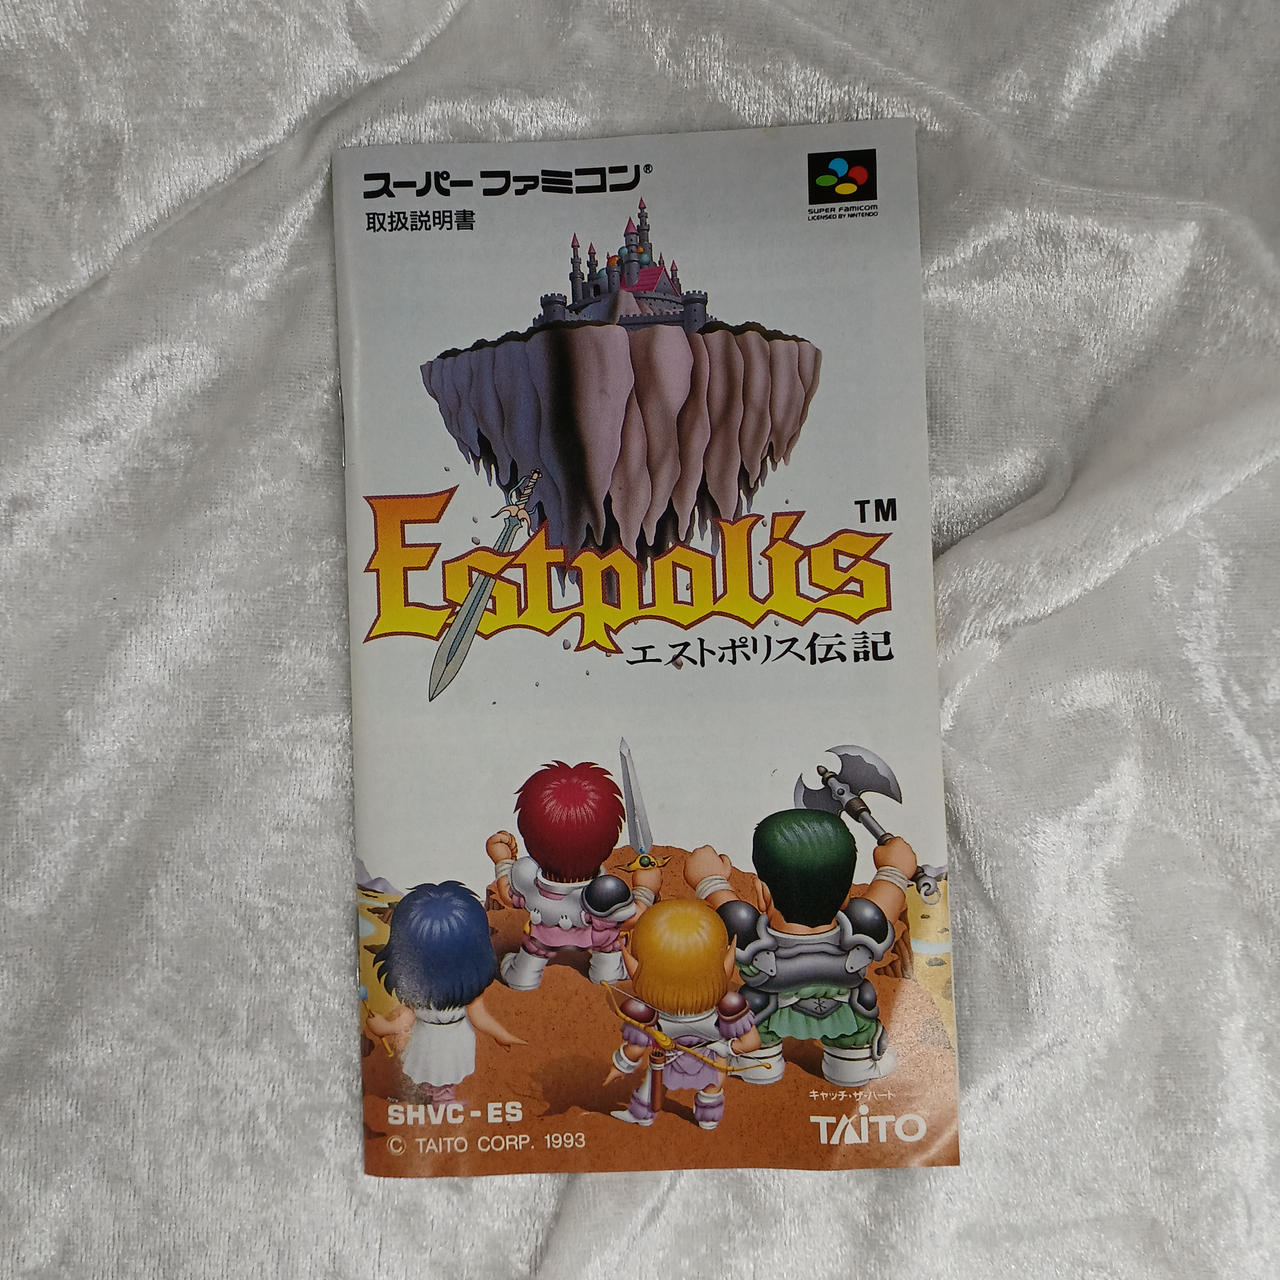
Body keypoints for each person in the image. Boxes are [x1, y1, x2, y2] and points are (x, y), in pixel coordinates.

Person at [683, 808, 918, 1087]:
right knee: (861, 1007)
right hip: (844, 1010)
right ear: (846, 897)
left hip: (769, 1011)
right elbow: (887, 896)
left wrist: (710, 879)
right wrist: (894, 870)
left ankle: (758, 1063)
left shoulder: (750, 932)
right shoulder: (861, 925)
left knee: (751, 1008)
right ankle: (852, 1064)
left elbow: (725, 905)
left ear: (762, 893)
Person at [487, 760, 660, 989]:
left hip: (543, 937)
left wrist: (503, 860)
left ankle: (522, 977)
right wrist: (645, 889)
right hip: (597, 938)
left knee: (532, 951)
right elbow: (633, 917)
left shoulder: (527, 879)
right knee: (608, 947)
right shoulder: (605, 893)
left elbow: (507, 895)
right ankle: (607, 974)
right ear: (608, 844)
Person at [603, 898, 760, 1130]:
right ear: (726, 962)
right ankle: (705, 1118)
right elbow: (751, 1042)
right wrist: (727, 1048)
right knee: (706, 1086)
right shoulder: (727, 1006)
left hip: (690, 1061)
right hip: (687, 1063)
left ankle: (649, 1113)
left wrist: (619, 1066)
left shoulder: (648, 1013)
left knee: (663, 1083)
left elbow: (634, 1050)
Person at [366, 881, 524, 1103]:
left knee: (437, 1079)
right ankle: (438, 1099)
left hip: (429, 1041)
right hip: (452, 1040)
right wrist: (500, 1035)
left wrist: (382, 1027)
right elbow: (479, 1017)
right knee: (438, 1078)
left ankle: (440, 1100)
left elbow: (403, 1023)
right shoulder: (465, 989)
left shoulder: (421, 993)